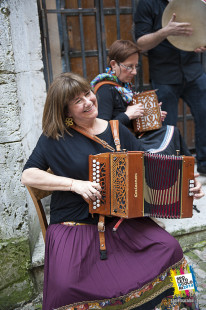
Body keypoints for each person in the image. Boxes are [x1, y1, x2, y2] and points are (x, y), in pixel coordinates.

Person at [21, 72, 203, 310]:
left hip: (122, 222)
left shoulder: (117, 130)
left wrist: (185, 187)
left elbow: (149, 169)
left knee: (172, 249)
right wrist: (74, 184)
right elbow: (28, 175)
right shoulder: (54, 138)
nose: (88, 101)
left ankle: (185, 305)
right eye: (77, 101)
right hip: (74, 225)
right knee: (66, 285)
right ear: (65, 111)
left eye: (87, 93)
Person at [134, 0, 206, 174]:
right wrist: (165, 31)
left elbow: (199, 26)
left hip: (193, 71)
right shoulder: (147, 4)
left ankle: (204, 165)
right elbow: (140, 43)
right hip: (164, 75)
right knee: (168, 128)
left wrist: (200, 41)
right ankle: (173, 171)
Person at [91, 39, 190, 156]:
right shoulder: (105, 89)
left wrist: (150, 115)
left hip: (131, 138)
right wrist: (127, 115)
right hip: (118, 147)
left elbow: (130, 124)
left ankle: (183, 171)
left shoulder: (124, 87)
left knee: (172, 132)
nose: (134, 72)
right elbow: (103, 130)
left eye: (135, 66)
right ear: (114, 64)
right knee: (165, 144)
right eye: (129, 67)